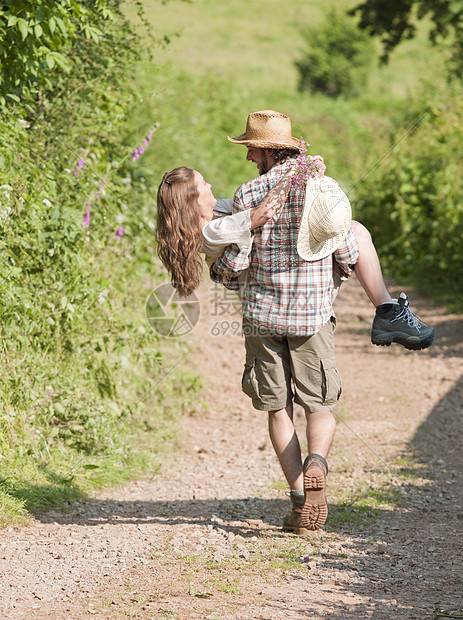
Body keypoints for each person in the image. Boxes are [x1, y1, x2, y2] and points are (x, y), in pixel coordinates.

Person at [206, 109, 434, 533]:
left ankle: (297, 497)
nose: (249, 156)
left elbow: (237, 260)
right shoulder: (323, 188)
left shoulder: (245, 195)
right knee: (322, 403)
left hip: (262, 317)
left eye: (251, 148)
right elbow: (347, 251)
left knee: (277, 408)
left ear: (265, 150)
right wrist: (329, 282)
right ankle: (318, 463)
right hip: (311, 317)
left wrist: (222, 275)